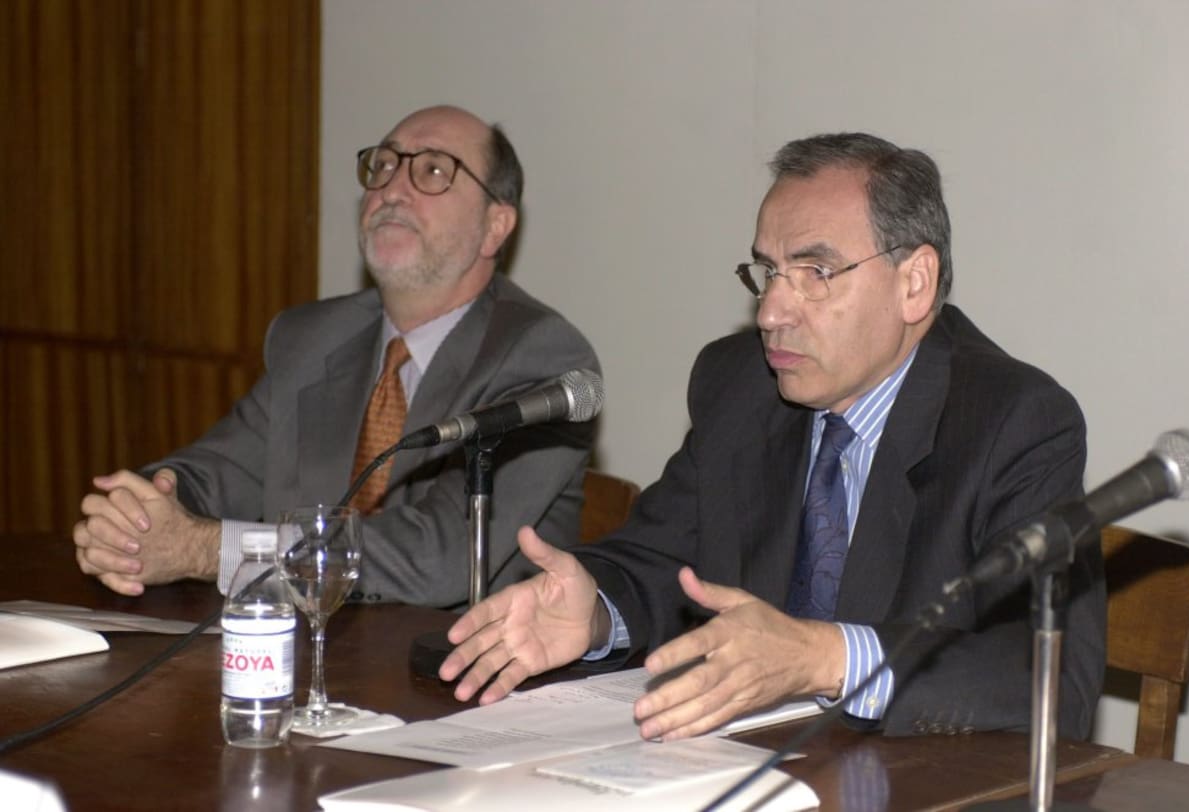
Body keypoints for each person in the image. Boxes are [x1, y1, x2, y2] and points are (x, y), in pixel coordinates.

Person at [439, 132, 1106, 741]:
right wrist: (595, 611)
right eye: (766, 272)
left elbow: (1049, 678)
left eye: (815, 273)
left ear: (914, 283)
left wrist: (821, 658)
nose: (771, 312)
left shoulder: (1014, 422)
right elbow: (664, 559)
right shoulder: (740, 387)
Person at [73, 105, 600, 608]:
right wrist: (140, 514)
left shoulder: (540, 356)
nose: (392, 188)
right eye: (384, 165)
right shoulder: (313, 335)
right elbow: (224, 469)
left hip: (458, 678)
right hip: (308, 653)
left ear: (495, 226)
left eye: (434, 170)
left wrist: (204, 549)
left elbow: (437, 557)